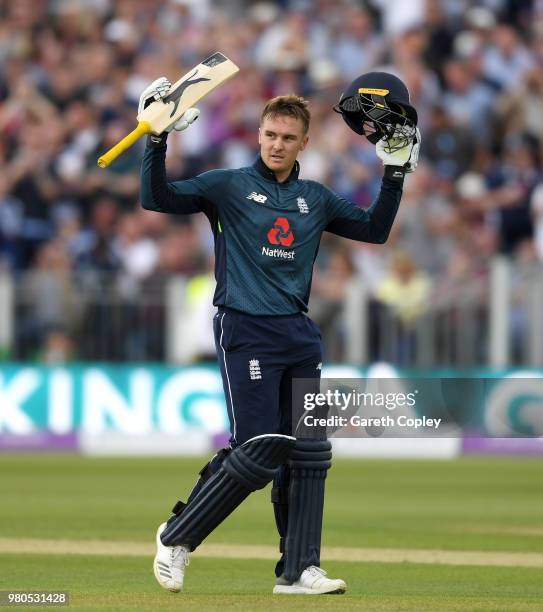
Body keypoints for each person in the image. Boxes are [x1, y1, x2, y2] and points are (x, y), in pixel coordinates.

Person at [139, 73, 419, 595]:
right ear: (259, 135)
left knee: (310, 450)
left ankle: (298, 570)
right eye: (270, 135)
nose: (276, 144)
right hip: (245, 328)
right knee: (262, 445)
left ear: (303, 144)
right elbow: (157, 198)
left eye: (288, 138)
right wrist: (157, 138)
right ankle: (176, 536)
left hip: (298, 335)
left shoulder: (316, 198)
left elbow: (375, 230)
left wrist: (395, 172)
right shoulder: (226, 186)